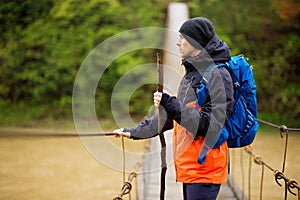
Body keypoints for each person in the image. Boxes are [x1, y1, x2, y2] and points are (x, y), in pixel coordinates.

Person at [114, 17, 234, 200]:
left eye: (183, 38)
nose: (177, 43)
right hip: (189, 167)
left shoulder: (218, 75)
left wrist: (170, 103)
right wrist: (133, 132)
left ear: (196, 41)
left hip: (205, 167)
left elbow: (210, 125)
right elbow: (172, 117)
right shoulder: (192, 74)